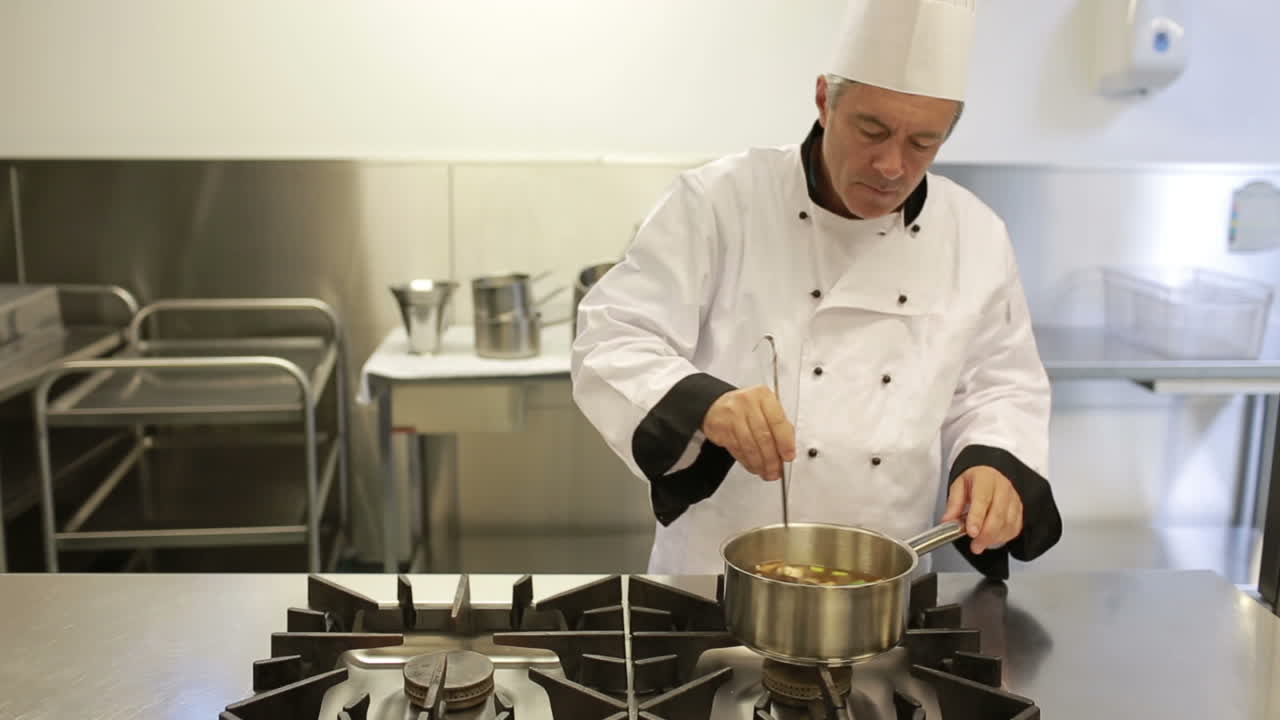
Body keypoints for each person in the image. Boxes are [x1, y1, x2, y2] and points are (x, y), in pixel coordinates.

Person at [570, 0, 1062, 578]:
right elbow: (612, 338)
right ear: (826, 100)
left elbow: (1001, 387)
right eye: (871, 130)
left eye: (922, 143)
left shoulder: (976, 235)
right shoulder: (717, 204)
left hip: (885, 590)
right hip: (715, 580)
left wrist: (995, 465)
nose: (890, 166)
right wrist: (708, 403)